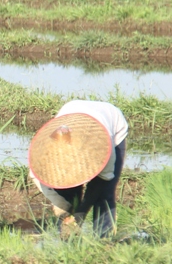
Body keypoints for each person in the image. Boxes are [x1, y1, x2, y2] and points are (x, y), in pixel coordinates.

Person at [28, 100, 129, 238]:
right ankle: (66, 240)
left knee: (105, 195)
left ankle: (104, 240)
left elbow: (101, 181)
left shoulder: (105, 146)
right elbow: (36, 177)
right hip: (73, 110)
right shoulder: (44, 151)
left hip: (112, 123)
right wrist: (62, 206)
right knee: (67, 192)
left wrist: (79, 215)